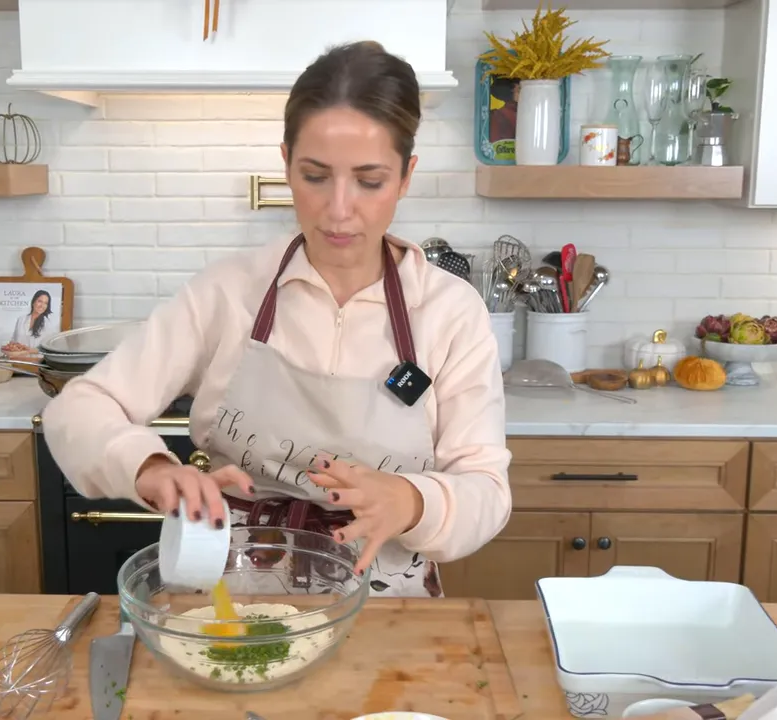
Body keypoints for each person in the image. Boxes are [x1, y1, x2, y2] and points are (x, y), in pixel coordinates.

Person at [43, 41, 511, 598]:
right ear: (285, 161)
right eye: (315, 176)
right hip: (228, 608)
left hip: (389, 622)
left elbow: (487, 489)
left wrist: (413, 501)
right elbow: (78, 407)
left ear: (406, 176)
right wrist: (149, 468)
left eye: (369, 180)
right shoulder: (229, 292)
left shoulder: (450, 312)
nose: (339, 210)